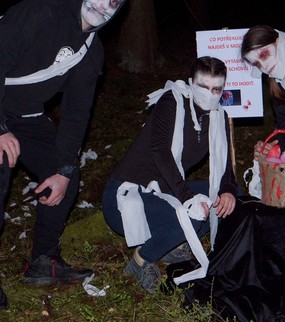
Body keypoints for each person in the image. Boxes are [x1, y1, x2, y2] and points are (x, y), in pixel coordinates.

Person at [0, 0, 128, 310]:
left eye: (114, 1)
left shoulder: (92, 52)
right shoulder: (41, 13)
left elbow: (76, 115)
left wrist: (64, 169)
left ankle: (44, 260)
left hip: (24, 113)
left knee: (65, 170)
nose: (104, 5)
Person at [101, 57, 237, 294]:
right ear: (191, 82)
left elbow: (224, 164)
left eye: (216, 89)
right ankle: (141, 260)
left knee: (227, 201)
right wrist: (188, 198)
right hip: (129, 197)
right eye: (203, 86)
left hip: (165, 193)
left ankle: (171, 245)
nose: (210, 94)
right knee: (193, 214)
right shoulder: (172, 101)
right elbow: (160, 152)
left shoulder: (218, 117)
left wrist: (228, 190)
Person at [241, 25, 285, 155]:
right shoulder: (277, 86)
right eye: (257, 64)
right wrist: (272, 151)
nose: (264, 66)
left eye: (264, 55)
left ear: (278, 42)